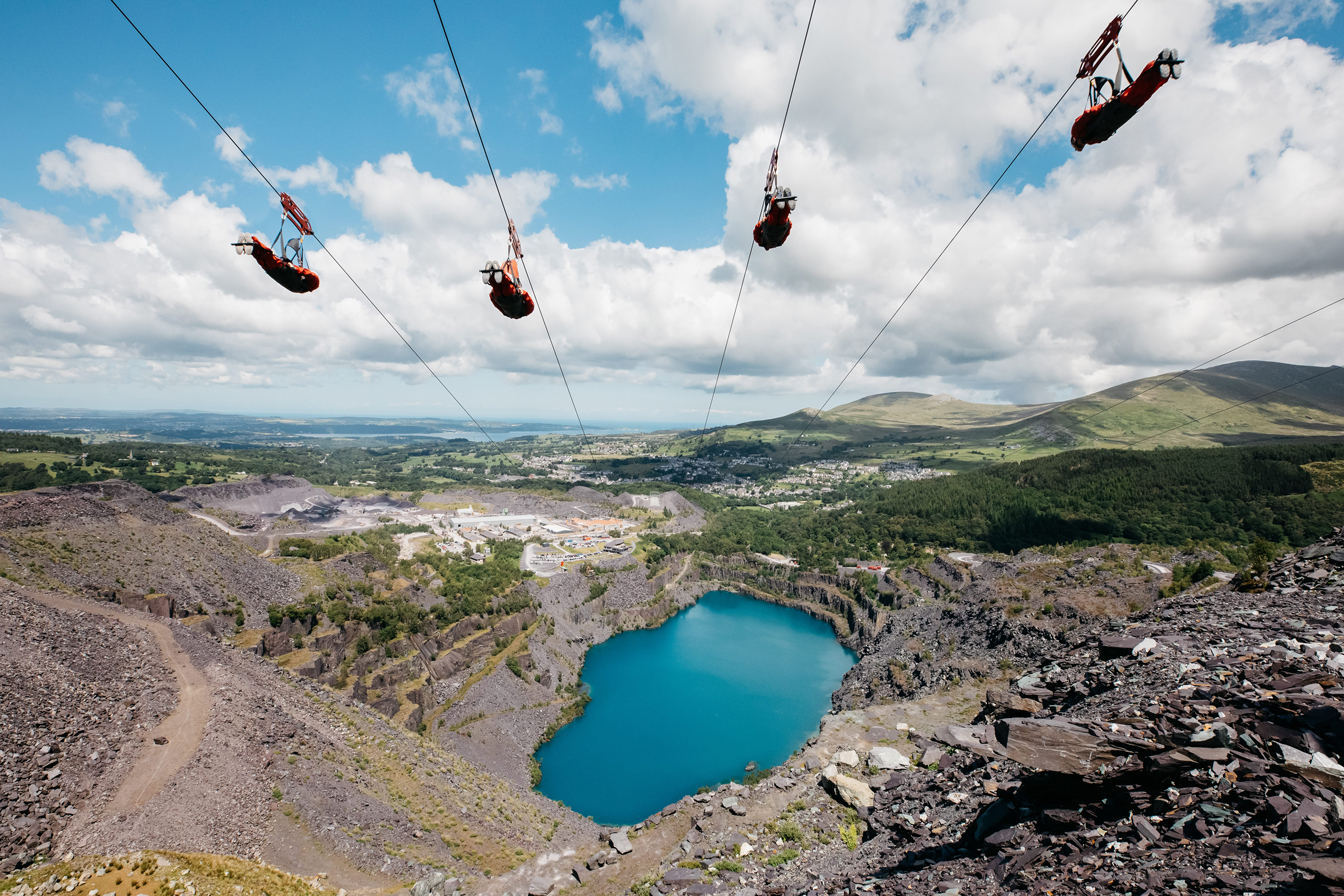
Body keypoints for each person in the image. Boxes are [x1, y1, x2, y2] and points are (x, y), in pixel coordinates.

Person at [1071, 49, 1182, 151]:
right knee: (1147, 92)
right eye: (1082, 146)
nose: (1082, 144)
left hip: (1117, 107)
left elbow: (1088, 114)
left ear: (1074, 139)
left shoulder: (1076, 131)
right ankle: (1164, 74)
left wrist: (1103, 106)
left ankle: (1155, 65)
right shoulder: (1092, 140)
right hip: (1125, 112)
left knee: (1139, 88)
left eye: (1079, 144)